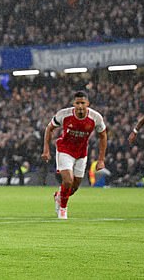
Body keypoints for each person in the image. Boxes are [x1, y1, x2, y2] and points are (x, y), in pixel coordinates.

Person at [41, 91, 107, 219]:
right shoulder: (64, 114)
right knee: (68, 180)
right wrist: (46, 150)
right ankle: (63, 210)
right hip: (64, 150)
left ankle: (59, 196)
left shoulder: (96, 118)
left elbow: (103, 136)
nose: (80, 106)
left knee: (74, 187)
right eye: (78, 103)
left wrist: (101, 159)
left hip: (81, 153)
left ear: (87, 103)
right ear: (73, 103)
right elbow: (49, 128)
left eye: (83, 103)